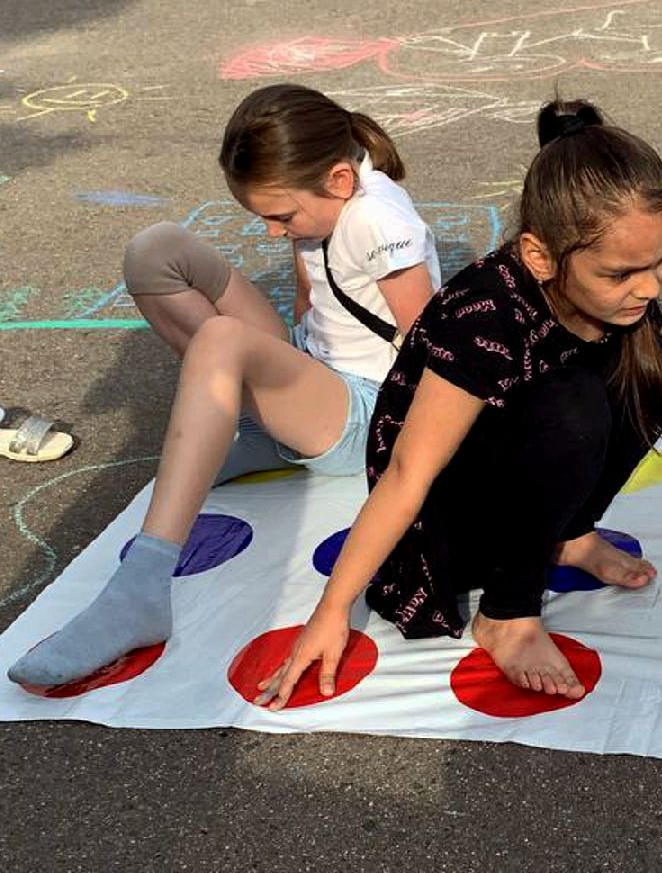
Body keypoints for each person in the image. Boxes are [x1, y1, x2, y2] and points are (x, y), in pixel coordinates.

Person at [255, 100, 662, 709]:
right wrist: (331, 610)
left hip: (525, 490)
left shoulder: (616, 293)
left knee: (653, 366)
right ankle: (507, 614)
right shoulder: (484, 318)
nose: (652, 286)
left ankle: (568, 535)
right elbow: (406, 474)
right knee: (574, 407)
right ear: (539, 257)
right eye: (623, 272)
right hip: (448, 526)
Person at [8, 84, 439, 689]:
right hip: (318, 374)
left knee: (221, 342)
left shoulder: (377, 218)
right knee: (155, 251)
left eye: (280, 218)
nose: (269, 233)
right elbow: (310, 299)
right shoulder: (327, 192)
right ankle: (257, 427)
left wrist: (419, 465)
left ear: (340, 180)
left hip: (366, 415)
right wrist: (278, 380)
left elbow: (432, 352)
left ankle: (140, 592)